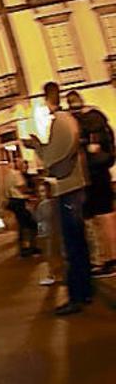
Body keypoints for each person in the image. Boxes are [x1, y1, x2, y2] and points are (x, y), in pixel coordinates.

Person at [24, 82, 93, 316]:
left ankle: (76, 297)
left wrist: (36, 146)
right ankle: (85, 291)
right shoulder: (70, 121)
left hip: (67, 188)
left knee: (72, 245)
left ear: (47, 99)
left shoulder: (59, 122)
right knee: (80, 243)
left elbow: (51, 157)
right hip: (77, 185)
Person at [66, 91, 116, 278]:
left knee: (98, 218)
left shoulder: (83, 121)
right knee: (104, 216)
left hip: (90, 175)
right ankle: (107, 258)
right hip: (101, 173)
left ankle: (106, 260)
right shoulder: (97, 117)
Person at [3, 158, 39, 257]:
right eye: (23, 165)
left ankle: (24, 248)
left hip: (12, 201)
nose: (25, 167)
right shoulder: (16, 174)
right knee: (31, 224)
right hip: (19, 201)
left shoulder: (8, 175)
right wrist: (31, 193)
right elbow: (21, 187)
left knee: (23, 225)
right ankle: (29, 248)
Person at [34, 180, 61, 286]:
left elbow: (38, 219)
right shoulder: (56, 203)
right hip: (52, 232)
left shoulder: (43, 205)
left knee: (50, 255)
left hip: (46, 232)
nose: (41, 194)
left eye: (43, 191)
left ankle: (53, 275)